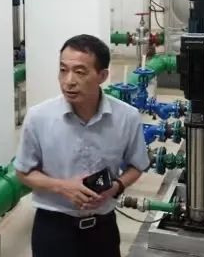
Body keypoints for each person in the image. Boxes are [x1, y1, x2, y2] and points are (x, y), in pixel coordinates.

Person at [15, 34, 150, 257]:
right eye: (63, 70)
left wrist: (116, 187)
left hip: (102, 230)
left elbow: (137, 165)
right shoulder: (39, 117)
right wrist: (62, 187)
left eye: (80, 72)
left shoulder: (127, 117)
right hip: (53, 229)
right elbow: (23, 172)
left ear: (102, 76)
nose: (69, 80)